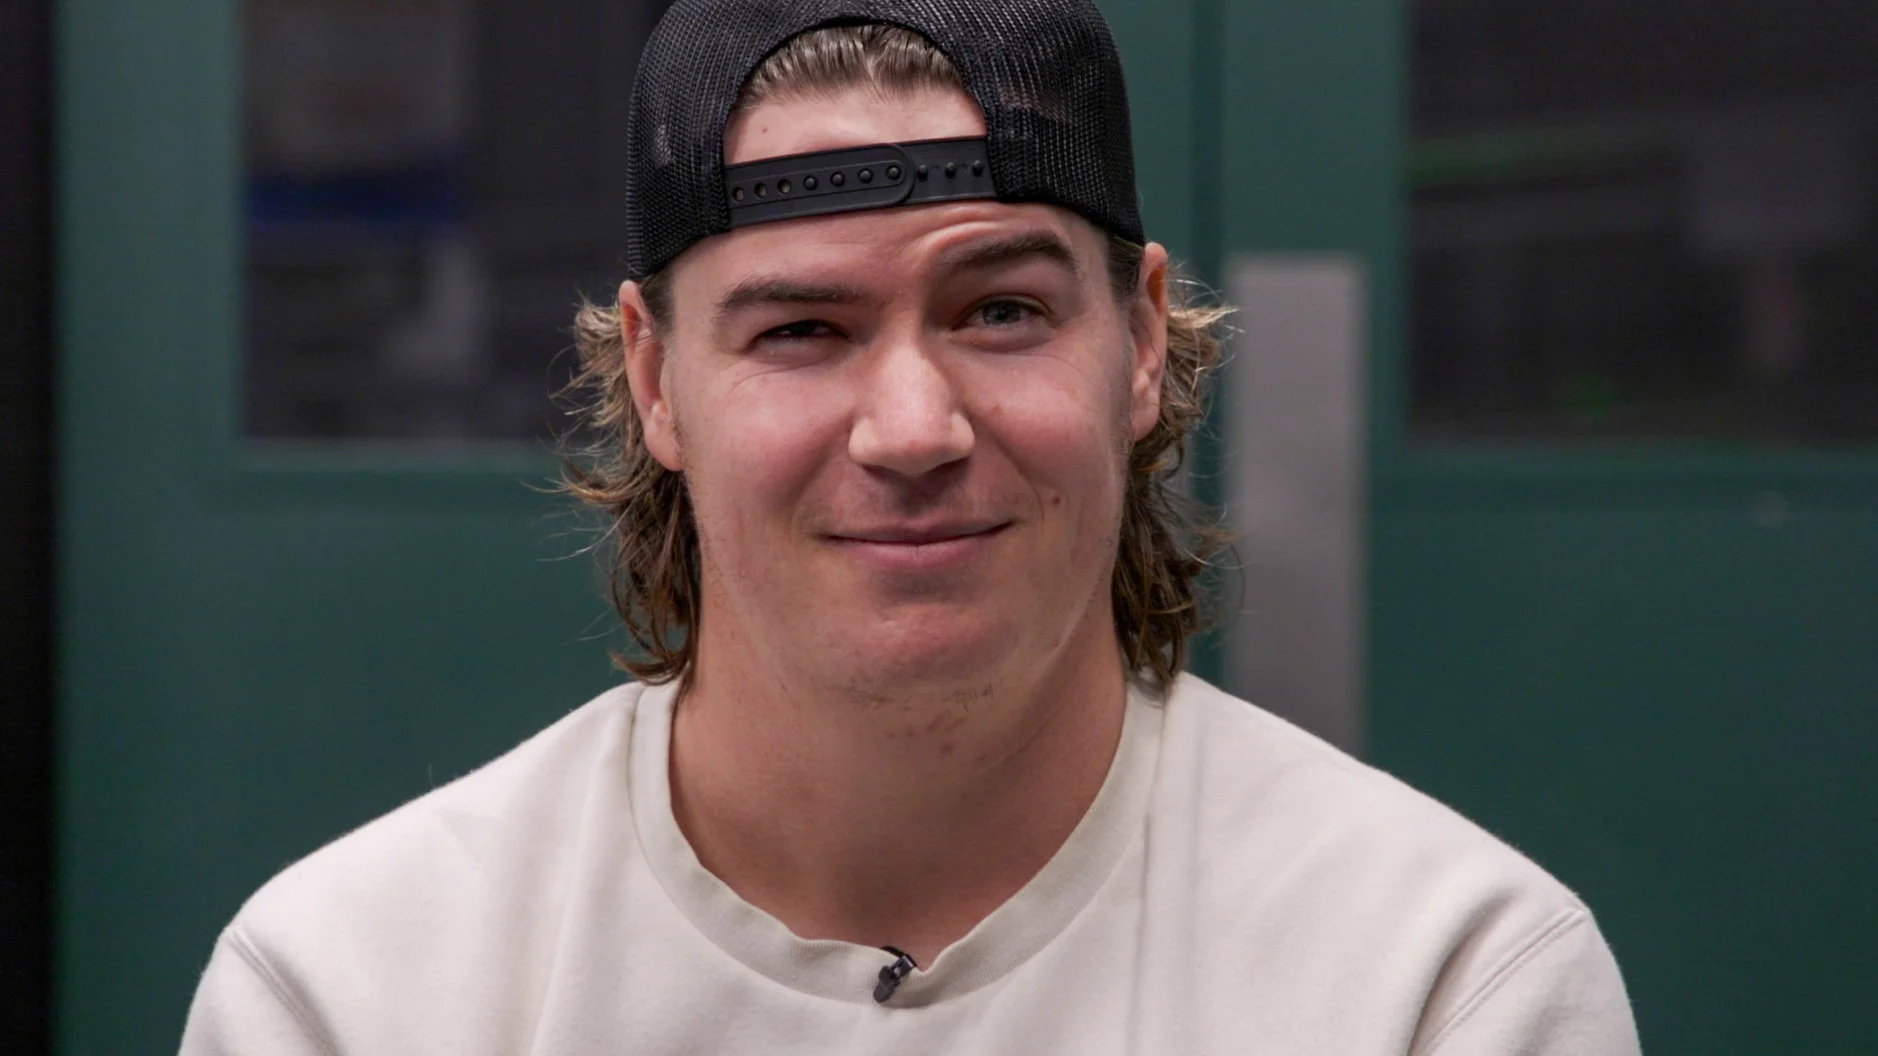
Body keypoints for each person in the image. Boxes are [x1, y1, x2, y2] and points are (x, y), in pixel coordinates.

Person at [180, 1, 1641, 1052]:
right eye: (801, 330)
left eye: (999, 311)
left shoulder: (1441, 984)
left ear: (1140, 341)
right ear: (655, 381)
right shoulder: (358, 993)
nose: (912, 427)